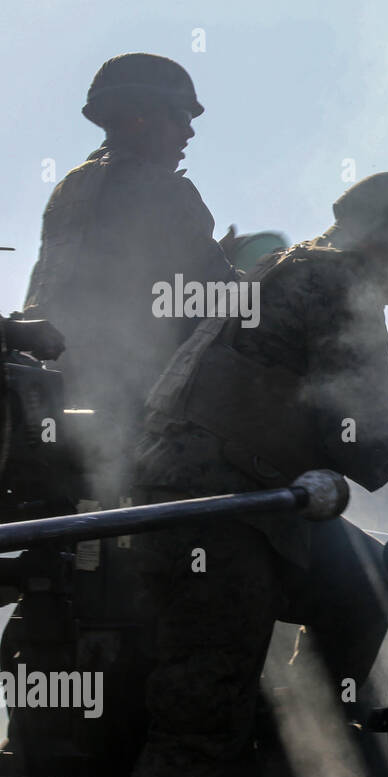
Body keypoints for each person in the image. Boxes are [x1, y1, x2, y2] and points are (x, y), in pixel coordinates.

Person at [117, 172, 388, 777]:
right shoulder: (338, 282)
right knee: (200, 711)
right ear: (386, 240)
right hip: (221, 515)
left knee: (362, 582)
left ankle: (290, 763)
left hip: (219, 503)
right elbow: (353, 433)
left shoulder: (280, 268)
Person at [23, 52, 236, 495]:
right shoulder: (164, 192)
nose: (189, 130)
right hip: (133, 417)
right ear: (140, 117)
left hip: (49, 402)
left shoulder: (72, 187)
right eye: (180, 116)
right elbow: (223, 307)